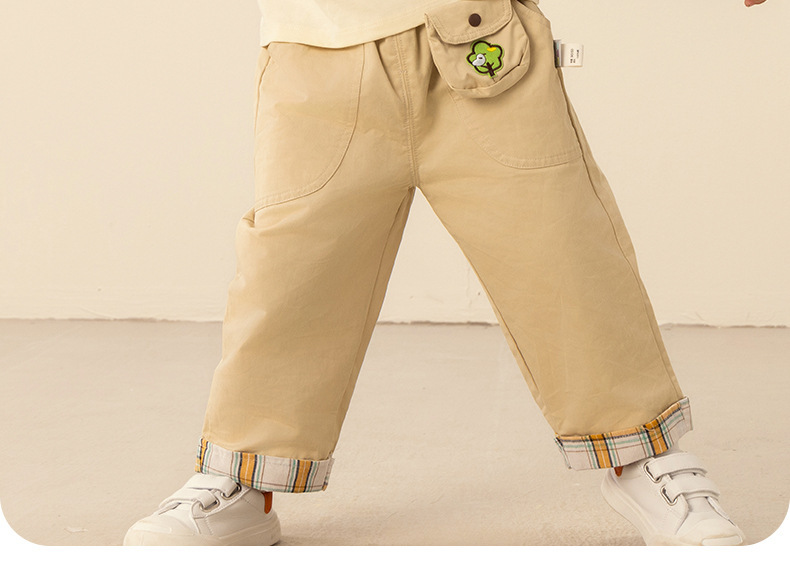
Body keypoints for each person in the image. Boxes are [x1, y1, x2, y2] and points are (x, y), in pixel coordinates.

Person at [123, 0, 767, 546]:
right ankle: (245, 476)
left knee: (562, 247)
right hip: (315, 45)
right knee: (290, 272)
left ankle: (640, 453)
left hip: (478, 35)